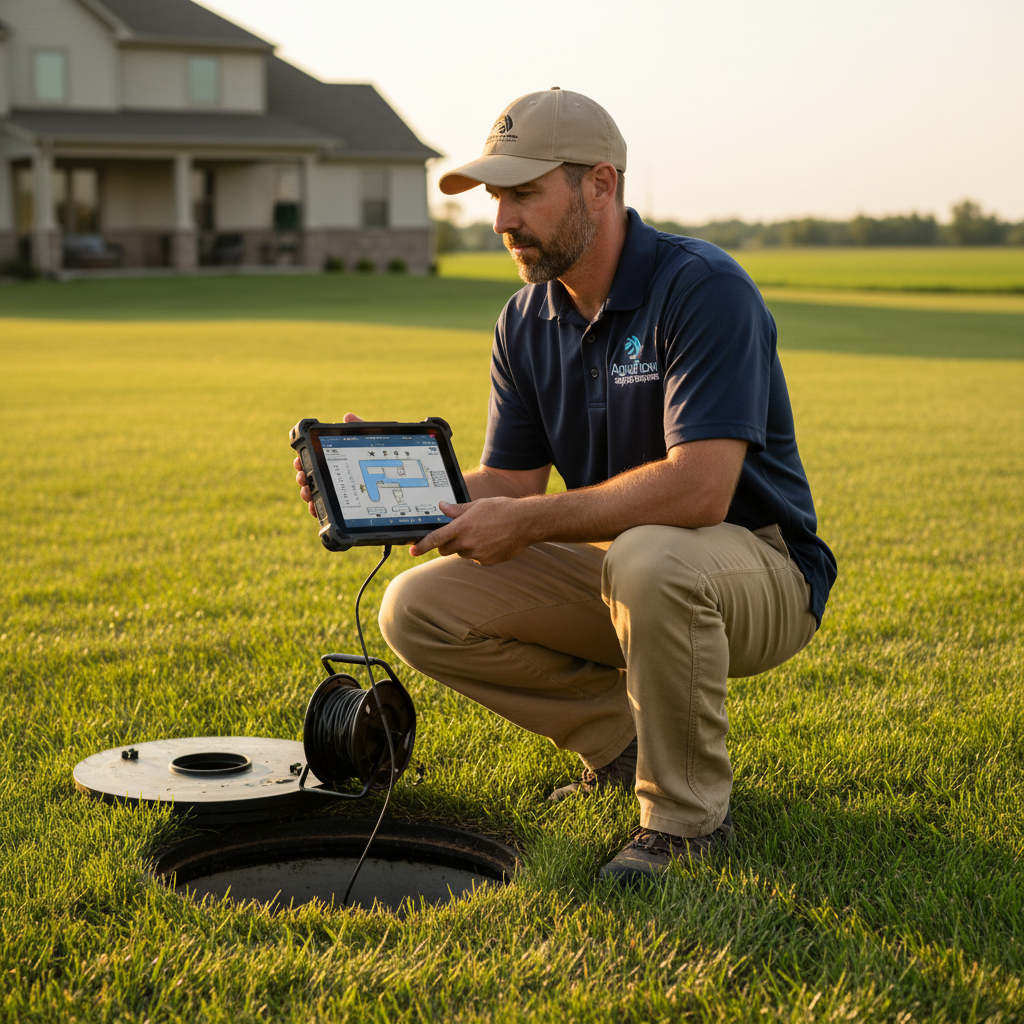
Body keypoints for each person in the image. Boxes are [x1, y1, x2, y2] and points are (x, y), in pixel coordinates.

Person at [294, 88, 837, 884]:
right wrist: (377, 489)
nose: (501, 219)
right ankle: (620, 747)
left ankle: (686, 825)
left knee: (651, 555)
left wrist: (528, 521)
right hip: (631, 567)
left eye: (523, 193)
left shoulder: (703, 288)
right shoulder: (524, 318)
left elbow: (701, 494)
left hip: (760, 570)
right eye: (495, 196)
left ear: (601, 186)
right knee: (417, 607)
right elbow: (510, 481)